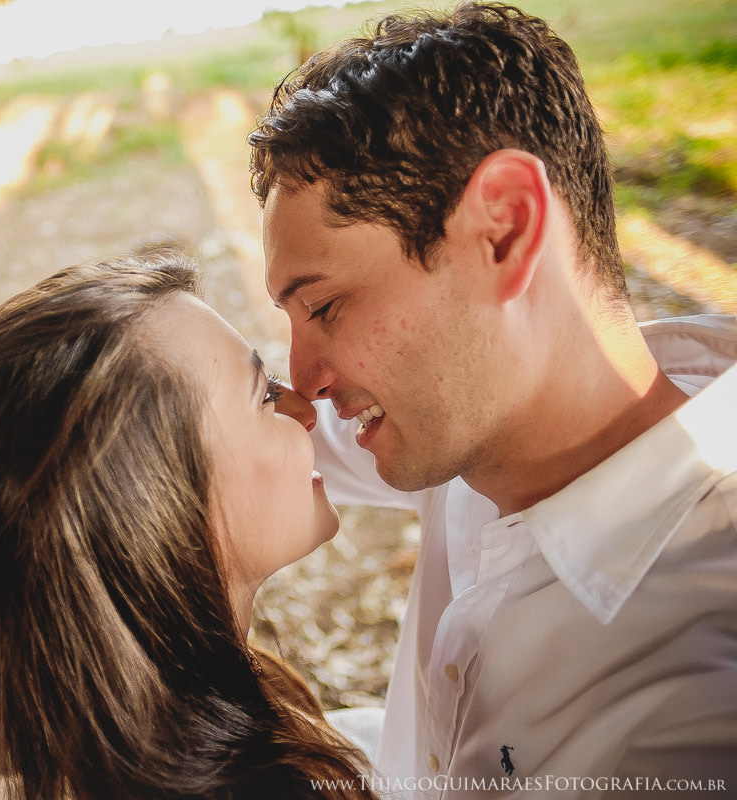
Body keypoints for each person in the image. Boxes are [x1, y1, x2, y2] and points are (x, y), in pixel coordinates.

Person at [0, 115, 372, 799]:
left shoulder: (162, 732)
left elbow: (94, 438)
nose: (307, 407)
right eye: (263, 395)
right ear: (154, 512)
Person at [247, 1, 737, 795]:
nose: (306, 384)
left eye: (326, 306)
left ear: (504, 230)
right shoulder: (477, 416)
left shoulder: (691, 710)